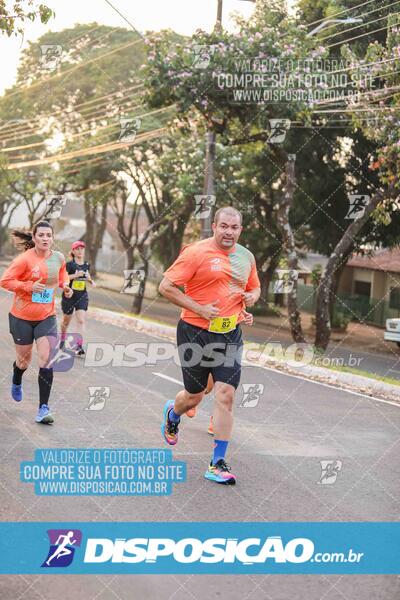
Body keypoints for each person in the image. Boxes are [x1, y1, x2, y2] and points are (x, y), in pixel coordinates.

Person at [159, 206, 261, 485]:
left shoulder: (246, 257)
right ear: (214, 226)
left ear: (241, 229)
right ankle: (173, 412)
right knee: (194, 395)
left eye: (235, 227)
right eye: (224, 226)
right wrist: (199, 308)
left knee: (226, 394)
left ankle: (217, 462)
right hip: (194, 332)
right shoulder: (196, 253)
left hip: (229, 334)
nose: (229, 232)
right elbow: (165, 287)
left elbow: (254, 288)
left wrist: (251, 298)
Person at [0, 221, 73, 424]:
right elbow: (5, 281)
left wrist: (65, 286)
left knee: (46, 359)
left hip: (46, 317)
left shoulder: (58, 258)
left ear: (52, 238)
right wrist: (29, 287)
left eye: (48, 235)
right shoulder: (24, 260)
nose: (45, 238)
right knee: (24, 361)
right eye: (41, 235)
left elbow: (61, 275)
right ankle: (16, 377)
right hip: (21, 317)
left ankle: (43, 408)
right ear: (34, 238)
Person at [60, 241, 95, 356]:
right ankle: (62, 340)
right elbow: (63, 278)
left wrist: (90, 281)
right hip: (69, 295)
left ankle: (78, 345)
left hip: (82, 295)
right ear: (73, 251)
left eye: (82, 249)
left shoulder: (86, 264)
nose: (80, 251)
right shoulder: (69, 265)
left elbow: (87, 274)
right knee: (66, 321)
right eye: (77, 249)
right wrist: (75, 275)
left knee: (81, 320)